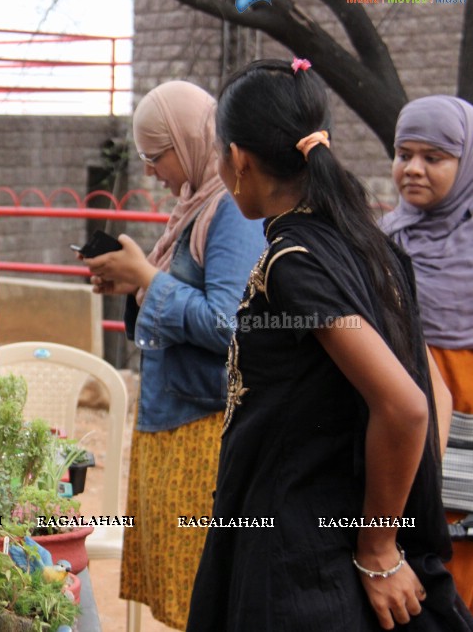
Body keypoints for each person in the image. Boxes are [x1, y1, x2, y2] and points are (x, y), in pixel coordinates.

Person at [186, 58, 473, 631]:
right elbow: (431, 392)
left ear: (238, 160)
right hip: (316, 533)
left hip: (297, 555)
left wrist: (379, 548)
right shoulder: (366, 243)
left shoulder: (294, 262)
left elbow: (407, 404)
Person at [81, 81, 265, 629]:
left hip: (203, 430)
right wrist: (134, 284)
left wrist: (146, 279)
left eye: (153, 155)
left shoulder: (230, 209)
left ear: (189, 141)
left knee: (197, 594)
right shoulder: (196, 204)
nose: (150, 170)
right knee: (178, 592)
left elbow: (231, 324)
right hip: (173, 419)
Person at [382, 95, 473, 608]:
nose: (413, 169)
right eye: (404, 154)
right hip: (407, 434)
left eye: (433, 158)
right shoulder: (383, 241)